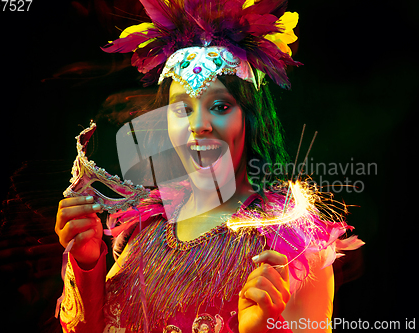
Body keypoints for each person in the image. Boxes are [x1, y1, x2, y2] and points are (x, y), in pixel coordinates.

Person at [55, 1, 363, 332]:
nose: (199, 124)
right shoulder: (143, 229)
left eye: (219, 105)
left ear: (251, 119)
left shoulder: (293, 248)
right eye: (182, 109)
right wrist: (87, 264)